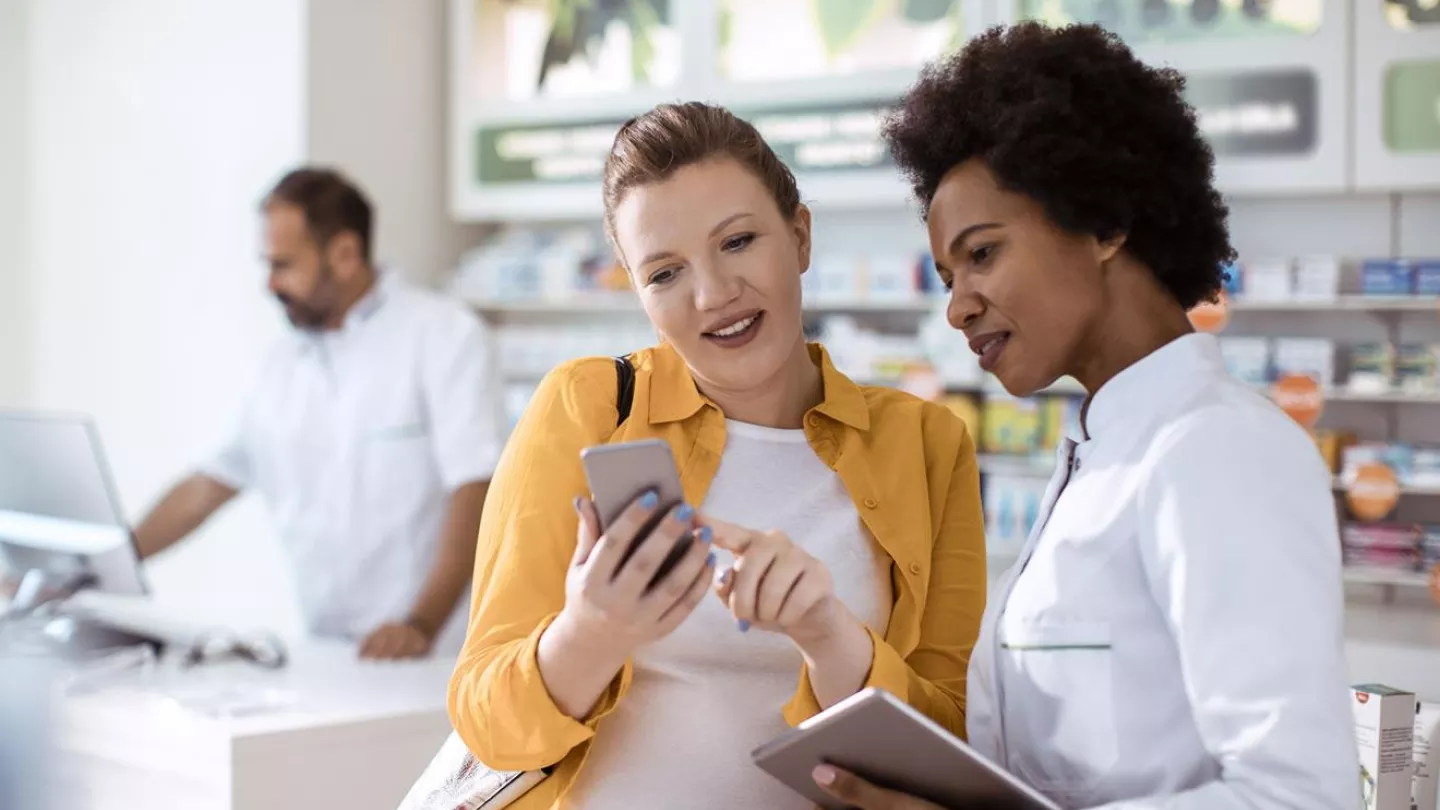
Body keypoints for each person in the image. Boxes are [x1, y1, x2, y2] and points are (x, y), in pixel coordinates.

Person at [810, 22, 1360, 810]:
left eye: (983, 253)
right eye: (945, 274)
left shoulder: (1219, 451)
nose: (959, 306)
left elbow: (1300, 798)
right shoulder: (1101, 455)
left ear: (1103, 222)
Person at [446, 102, 987, 809]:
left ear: (799, 236)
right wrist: (589, 634)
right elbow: (486, 724)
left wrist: (829, 638)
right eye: (664, 274)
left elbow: (951, 742)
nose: (712, 294)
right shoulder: (585, 409)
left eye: (737, 242)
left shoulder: (926, 444)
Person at [133, 168, 502, 660]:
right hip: (330, 654)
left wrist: (421, 623)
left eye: (283, 264)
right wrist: (101, 563)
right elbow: (207, 486)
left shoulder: (445, 336)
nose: (269, 283)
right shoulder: (281, 364)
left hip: (436, 652)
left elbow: (477, 488)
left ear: (345, 254)